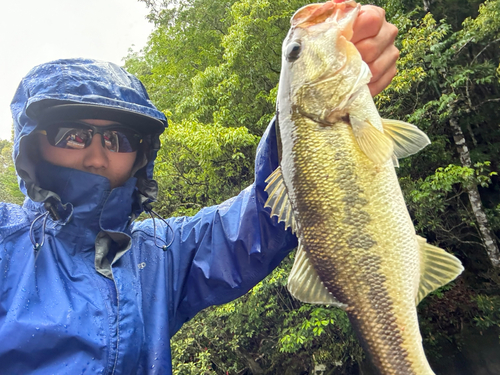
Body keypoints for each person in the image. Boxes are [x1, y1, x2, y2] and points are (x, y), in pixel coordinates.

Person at [0, 5, 399, 374]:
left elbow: (263, 216)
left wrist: (315, 122)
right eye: (73, 135)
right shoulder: (6, 241)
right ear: (33, 145)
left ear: (140, 155)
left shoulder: (160, 254)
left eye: (118, 139)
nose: (97, 157)